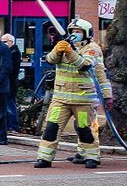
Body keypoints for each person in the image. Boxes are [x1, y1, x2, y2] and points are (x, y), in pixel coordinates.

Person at [35, 19, 112, 169]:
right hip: (60, 99)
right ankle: (44, 158)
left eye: (78, 32)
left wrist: (107, 96)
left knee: (85, 129)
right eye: (72, 31)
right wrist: (57, 50)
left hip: (83, 100)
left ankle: (91, 157)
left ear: (86, 33)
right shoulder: (64, 44)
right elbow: (50, 60)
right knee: (51, 128)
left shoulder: (92, 49)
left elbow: (85, 66)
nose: (74, 34)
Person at [1, 33, 23, 133]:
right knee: (4, 104)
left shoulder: (14, 53)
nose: (3, 44)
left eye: (4, 42)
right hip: (5, 83)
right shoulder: (6, 52)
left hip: (10, 83)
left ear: (11, 42)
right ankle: (7, 125)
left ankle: (13, 126)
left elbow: (11, 69)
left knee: (10, 104)